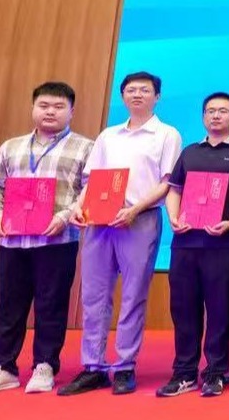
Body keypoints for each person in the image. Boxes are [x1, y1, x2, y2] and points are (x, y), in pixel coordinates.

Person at [58, 71, 181, 397]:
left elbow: (167, 182)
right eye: (131, 90)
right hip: (99, 221)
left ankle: (125, 365)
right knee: (94, 295)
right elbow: (92, 179)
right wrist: (78, 207)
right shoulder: (108, 135)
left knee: (133, 294)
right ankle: (93, 366)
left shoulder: (166, 134)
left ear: (157, 97)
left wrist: (135, 209)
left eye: (145, 90)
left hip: (139, 220)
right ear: (123, 96)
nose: (137, 94)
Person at [0, 82, 94, 397]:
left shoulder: (85, 147)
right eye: (44, 105)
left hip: (57, 240)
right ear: (33, 108)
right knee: (8, 304)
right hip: (12, 241)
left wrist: (64, 216)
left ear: (72, 111)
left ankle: (45, 365)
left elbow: (90, 189)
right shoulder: (11, 147)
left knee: (52, 304)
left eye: (59, 107)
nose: (50, 112)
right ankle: (2, 367)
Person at [159, 92, 229, 398]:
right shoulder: (190, 152)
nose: (216, 116)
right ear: (204, 116)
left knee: (220, 308)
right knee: (183, 308)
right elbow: (174, 189)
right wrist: (173, 217)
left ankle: (216, 371)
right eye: (210, 111)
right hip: (186, 243)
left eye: (223, 111)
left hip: (224, 243)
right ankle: (184, 372)